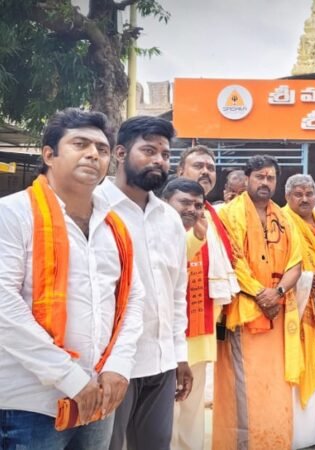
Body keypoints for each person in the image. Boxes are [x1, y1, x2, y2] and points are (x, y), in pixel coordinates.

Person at [0, 108, 144, 449]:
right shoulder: (13, 213)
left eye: (102, 149)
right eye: (80, 144)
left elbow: (132, 299)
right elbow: (4, 304)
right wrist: (69, 377)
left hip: (98, 396)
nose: (94, 154)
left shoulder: (114, 226)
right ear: (49, 155)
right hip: (29, 404)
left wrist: (119, 366)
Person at [95, 116, 190, 450]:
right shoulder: (94, 209)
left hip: (160, 362)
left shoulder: (170, 219)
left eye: (165, 154)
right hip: (109, 364)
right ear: (120, 153)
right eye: (148, 151)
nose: (159, 160)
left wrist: (179, 354)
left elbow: (177, 292)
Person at [214, 155, 304, 448]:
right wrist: (260, 294)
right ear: (248, 178)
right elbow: (232, 259)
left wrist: (277, 293)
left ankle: (274, 441)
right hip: (246, 312)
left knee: (275, 382)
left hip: (277, 312)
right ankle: (244, 443)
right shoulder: (229, 214)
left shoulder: (285, 218)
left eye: (270, 178)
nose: (265, 183)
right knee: (245, 382)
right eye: (260, 177)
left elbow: (296, 261)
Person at [171, 146, 239, 450]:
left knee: (193, 400)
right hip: (172, 323)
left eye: (211, 167)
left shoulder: (213, 214)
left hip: (202, 321)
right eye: (198, 165)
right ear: (179, 171)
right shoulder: (164, 211)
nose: (206, 172)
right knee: (168, 403)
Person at [281, 174, 315, 448]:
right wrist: (304, 279)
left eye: (309, 194)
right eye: (298, 194)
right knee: (297, 363)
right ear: (287, 197)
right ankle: (298, 431)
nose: (304, 199)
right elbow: (277, 264)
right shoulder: (280, 221)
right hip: (295, 306)